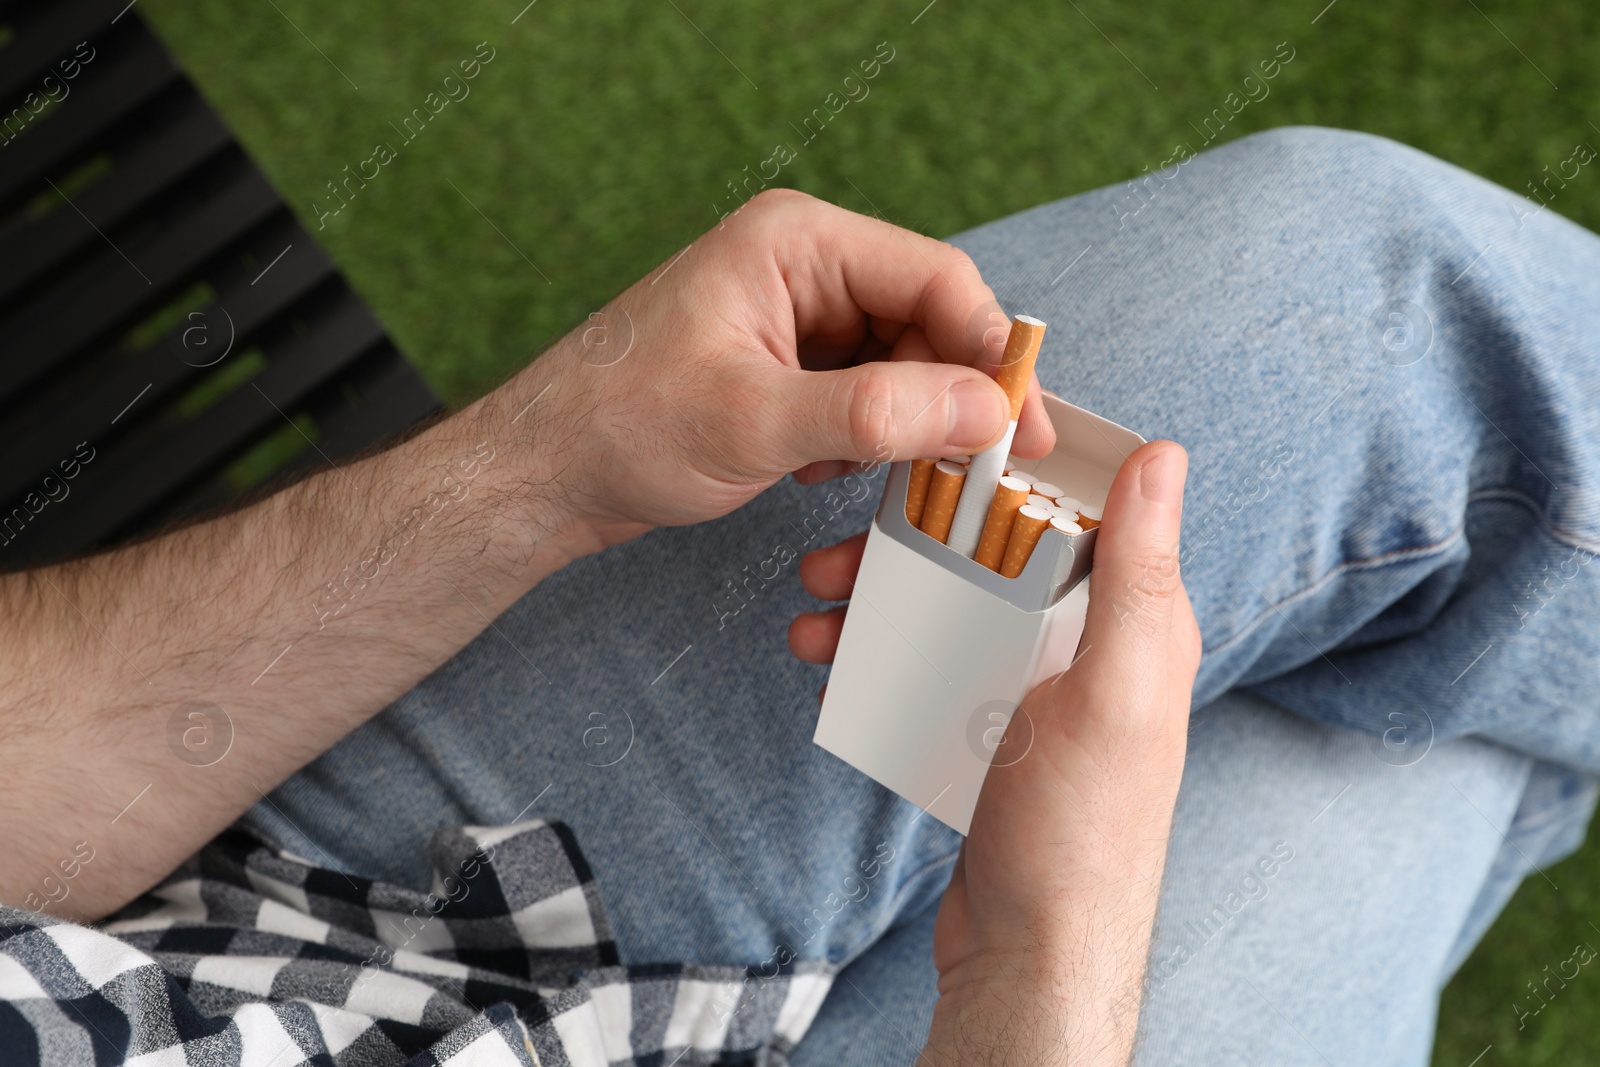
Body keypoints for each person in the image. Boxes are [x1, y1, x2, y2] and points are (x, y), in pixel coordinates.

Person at [2, 123, 1598, 1066]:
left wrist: (536, 465)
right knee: (1404, 773)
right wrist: (1042, 974)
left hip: (338, 924)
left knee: (1370, 284)